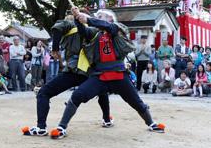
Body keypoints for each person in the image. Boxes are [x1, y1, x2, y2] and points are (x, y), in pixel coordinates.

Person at [49, 8, 165, 139]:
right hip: (100, 75)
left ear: (110, 19)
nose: (97, 17)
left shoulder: (118, 28)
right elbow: (83, 31)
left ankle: (151, 123)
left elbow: (108, 27)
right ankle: (61, 127)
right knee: (77, 95)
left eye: (100, 16)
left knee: (135, 101)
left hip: (119, 75)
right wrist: (77, 19)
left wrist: (87, 19)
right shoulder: (95, 34)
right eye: (97, 16)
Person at [23, 14, 112, 137]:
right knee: (102, 91)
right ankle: (107, 119)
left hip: (74, 70)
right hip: (90, 72)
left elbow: (57, 28)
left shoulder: (70, 25)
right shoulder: (95, 30)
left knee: (44, 93)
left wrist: (55, 49)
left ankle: (41, 127)